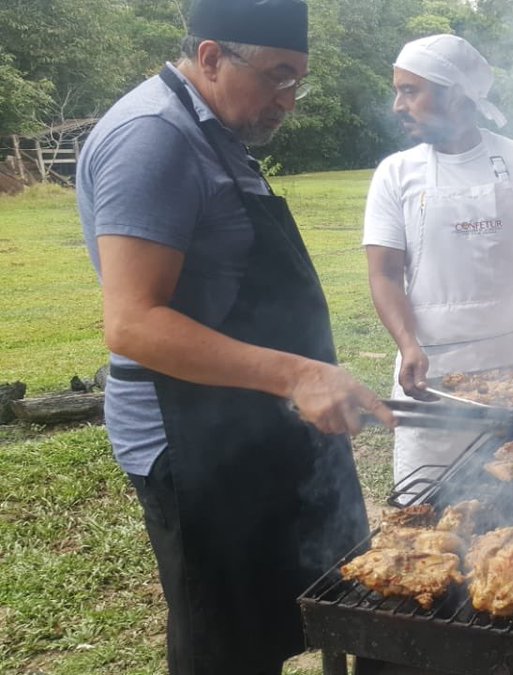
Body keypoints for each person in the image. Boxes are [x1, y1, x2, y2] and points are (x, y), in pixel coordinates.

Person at [75, 1, 396, 672]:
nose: (290, 99)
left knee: (293, 605)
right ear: (212, 56)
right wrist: (300, 375)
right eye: (279, 75)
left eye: (298, 80)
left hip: (250, 419)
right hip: (193, 443)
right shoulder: (152, 137)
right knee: (225, 643)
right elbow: (132, 321)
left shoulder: (217, 133)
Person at [363, 34, 513, 485]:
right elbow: (384, 274)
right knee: (426, 500)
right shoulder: (395, 173)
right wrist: (407, 344)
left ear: (454, 94)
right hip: (431, 372)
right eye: (398, 91)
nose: (398, 105)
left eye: (410, 90)